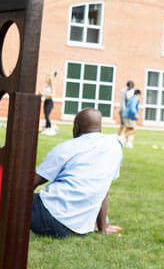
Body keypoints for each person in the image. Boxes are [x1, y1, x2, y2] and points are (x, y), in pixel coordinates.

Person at [30, 108, 123, 238]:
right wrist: (103, 228)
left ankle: (27, 227)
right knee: (103, 218)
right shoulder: (114, 147)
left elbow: (31, 184)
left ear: (76, 127)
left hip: (51, 215)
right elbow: (104, 190)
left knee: (11, 199)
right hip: (73, 228)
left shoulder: (66, 147)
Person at [40, 71, 57, 135]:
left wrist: (45, 94)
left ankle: (49, 128)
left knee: (47, 115)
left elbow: (52, 95)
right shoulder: (45, 86)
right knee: (45, 115)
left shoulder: (52, 86)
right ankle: (46, 128)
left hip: (50, 102)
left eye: (47, 78)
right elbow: (44, 94)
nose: (46, 79)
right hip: (46, 101)